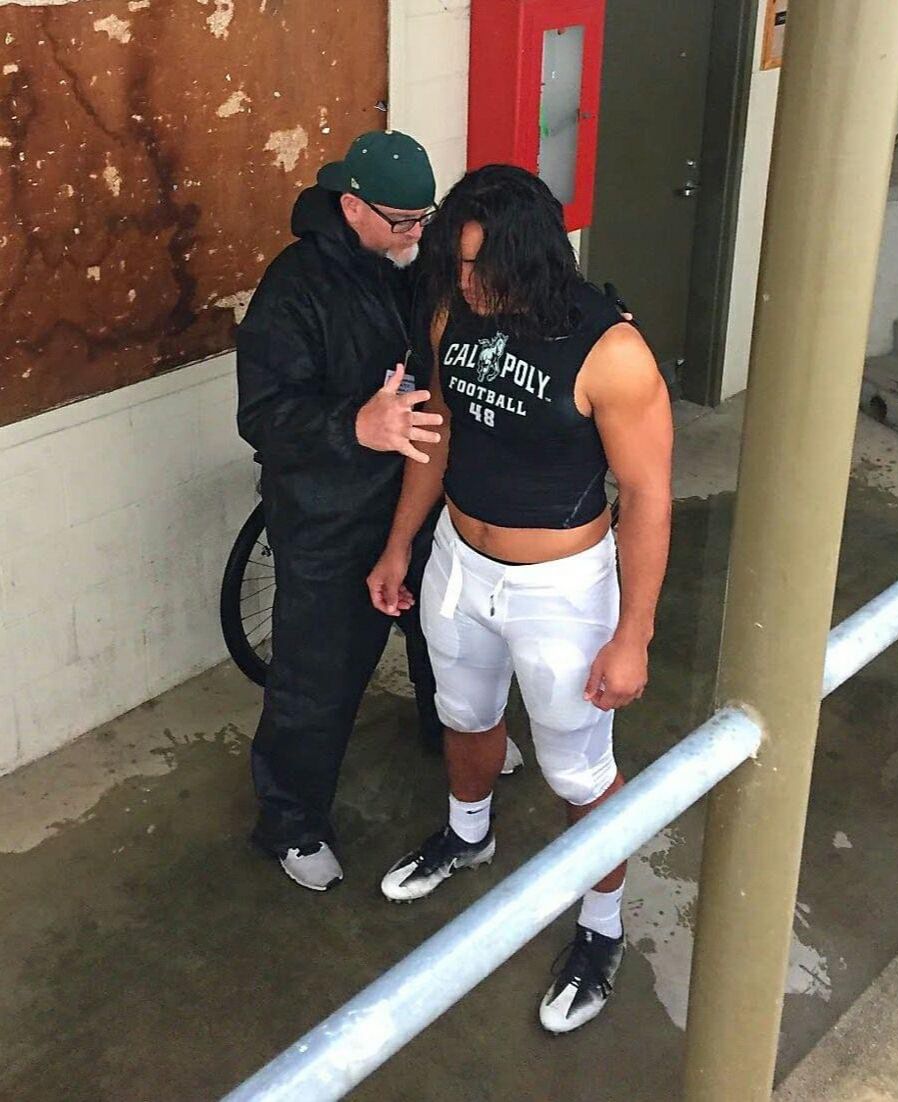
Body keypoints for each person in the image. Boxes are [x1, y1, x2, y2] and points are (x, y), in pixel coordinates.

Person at [367, 164, 673, 1033]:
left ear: (531, 255)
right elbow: (439, 437)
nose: (467, 283)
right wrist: (400, 543)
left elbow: (647, 496)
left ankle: (601, 927)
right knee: (464, 717)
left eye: (482, 266)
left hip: (561, 589)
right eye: (457, 264)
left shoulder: (610, 351)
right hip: (459, 564)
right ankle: (469, 835)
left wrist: (633, 635)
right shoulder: (451, 312)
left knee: (577, 769)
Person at [235, 130, 448, 892]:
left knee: (441, 633)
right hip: (328, 518)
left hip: (417, 495)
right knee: (316, 677)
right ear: (352, 206)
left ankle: (450, 732)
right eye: (402, 221)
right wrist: (354, 426)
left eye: (425, 218)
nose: (417, 234)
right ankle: (291, 824)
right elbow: (262, 416)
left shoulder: (413, 263)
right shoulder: (294, 289)